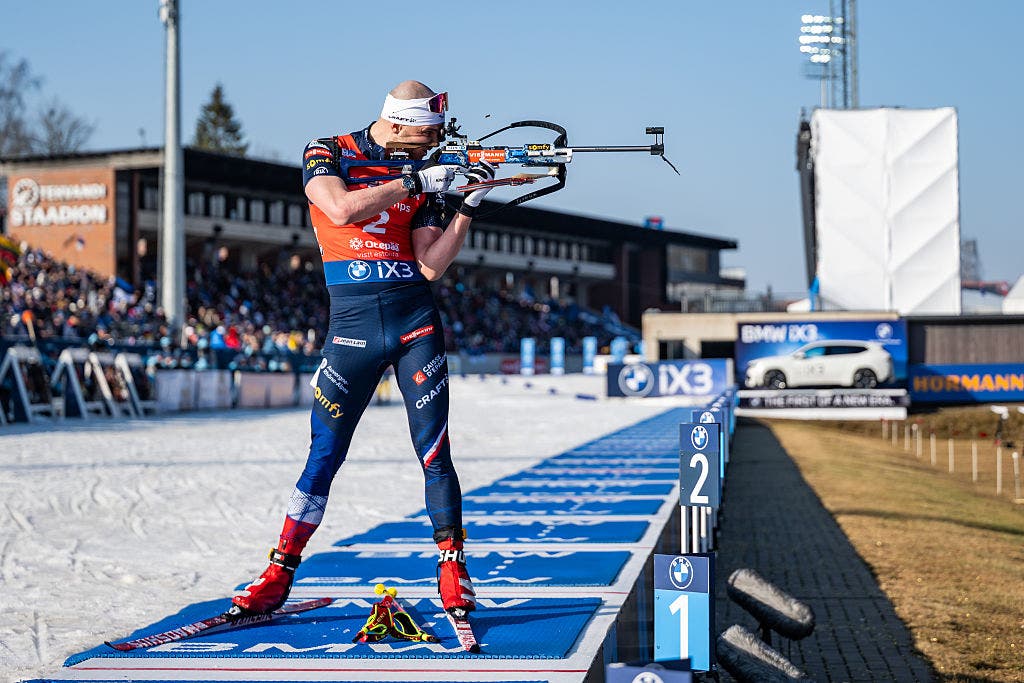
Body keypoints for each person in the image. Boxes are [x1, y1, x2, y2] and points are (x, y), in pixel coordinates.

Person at [231, 81, 494, 622]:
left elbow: (430, 266)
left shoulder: (429, 168)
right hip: (351, 328)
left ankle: (453, 571)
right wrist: (414, 179)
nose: (432, 144)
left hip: (414, 320)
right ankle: (279, 573)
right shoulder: (328, 150)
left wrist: (466, 206)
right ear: (396, 123)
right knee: (324, 454)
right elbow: (340, 209)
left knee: (434, 451)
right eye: (425, 135)